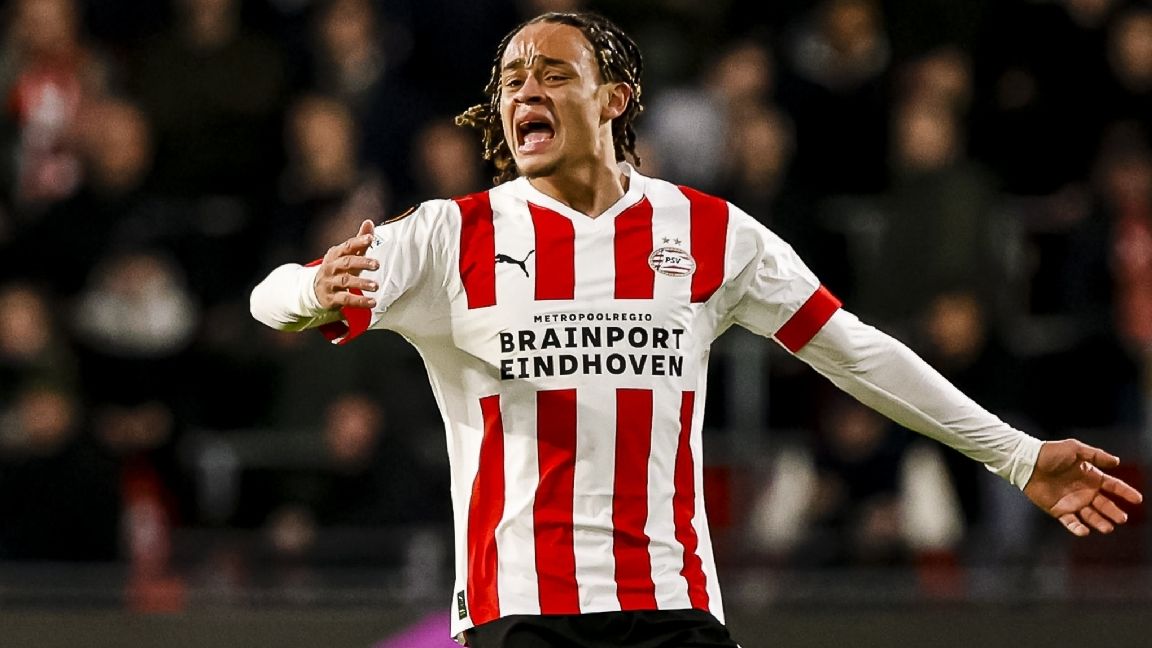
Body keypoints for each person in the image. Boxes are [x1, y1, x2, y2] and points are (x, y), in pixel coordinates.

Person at [249, 11, 1144, 648]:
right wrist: (312, 286)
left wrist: (1016, 456)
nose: (525, 89)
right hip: (519, 613)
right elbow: (272, 296)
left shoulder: (709, 232)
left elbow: (857, 353)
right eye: (511, 79)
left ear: (614, 99)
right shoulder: (452, 236)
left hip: (674, 608)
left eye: (553, 72)